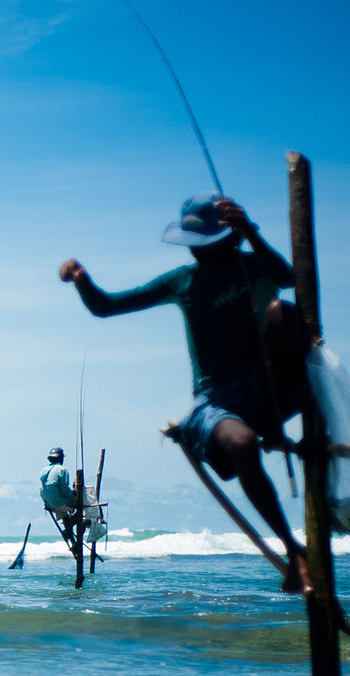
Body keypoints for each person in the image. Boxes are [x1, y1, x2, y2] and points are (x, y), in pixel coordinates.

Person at [58, 192, 311, 594]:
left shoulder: (251, 265)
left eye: (208, 245)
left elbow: (289, 279)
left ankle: (272, 428)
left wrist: (253, 235)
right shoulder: (182, 281)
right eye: (194, 247)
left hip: (267, 388)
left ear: (230, 239)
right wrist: (81, 279)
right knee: (241, 443)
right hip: (216, 401)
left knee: (284, 313)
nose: (200, 255)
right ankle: (293, 550)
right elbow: (106, 307)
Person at [39, 447, 78, 540]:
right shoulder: (62, 470)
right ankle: (68, 531)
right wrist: (74, 495)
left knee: (63, 513)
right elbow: (65, 490)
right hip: (59, 503)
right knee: (78, 507)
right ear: (61, 458)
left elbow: (42, 488)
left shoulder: (43, 470)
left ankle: (68, 532)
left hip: (48, 503)